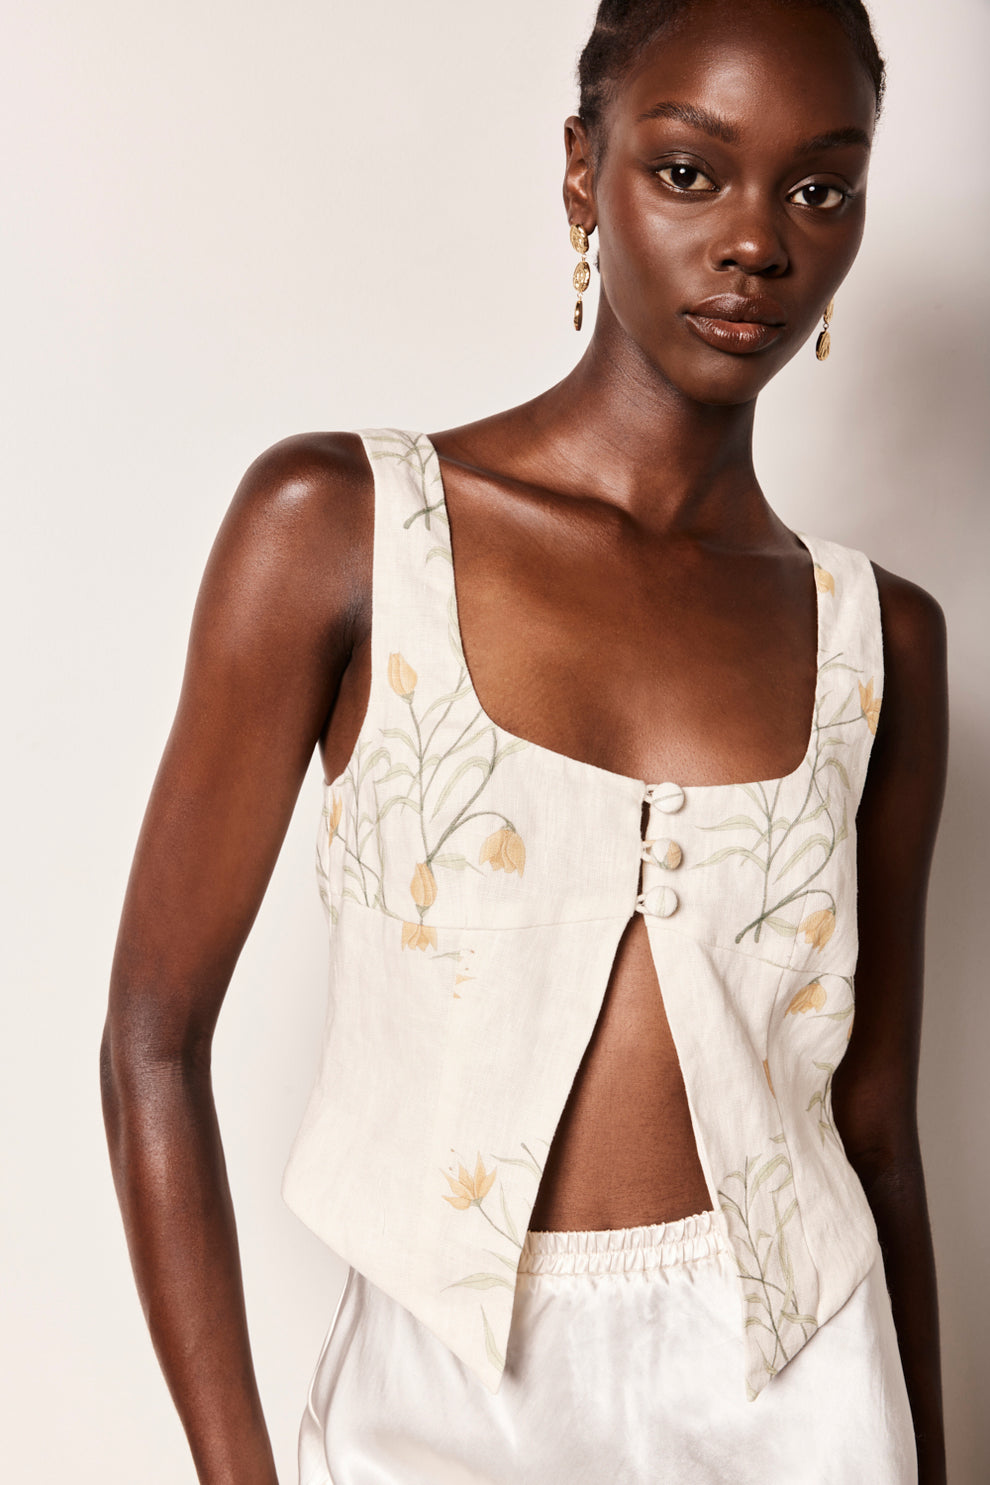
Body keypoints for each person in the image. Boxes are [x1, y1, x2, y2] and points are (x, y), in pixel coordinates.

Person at [100, 1, 948, 1481]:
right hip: (439, 1398)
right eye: (688, 171)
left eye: (820, 187)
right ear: (581, 171)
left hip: (805, 1400)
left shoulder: (883, 641)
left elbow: (876, 1134)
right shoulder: (341, 528)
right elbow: (152, 1042)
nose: (757, 242)